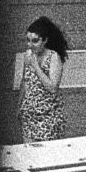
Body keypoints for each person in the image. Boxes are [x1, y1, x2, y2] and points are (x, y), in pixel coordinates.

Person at [19, 17, 69, 145]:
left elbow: (53, 87)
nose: (30, 45)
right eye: (28, 40)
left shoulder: (53, 57)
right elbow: (25, 81)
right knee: (29, 154)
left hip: (48, 116)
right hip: (29, 115)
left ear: (45, 40)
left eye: (35, 41)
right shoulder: (28, 56)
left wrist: (35, 65)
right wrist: (19, 106)